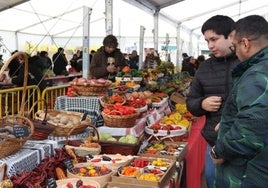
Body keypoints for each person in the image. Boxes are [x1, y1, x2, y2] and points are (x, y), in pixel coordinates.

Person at [211, 15, 268, 188]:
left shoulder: (257, 74)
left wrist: (218, 150)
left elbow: (252, 125)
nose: (235, 52)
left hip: (248, 173)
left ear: (245, 43)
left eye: (234, 46)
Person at [185, 15, 240, 188]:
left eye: (214, 39)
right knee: (213, 182)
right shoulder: (205, 67)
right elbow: (191, 102)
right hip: (214, 143)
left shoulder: (245, 63)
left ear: (230, 36)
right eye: (207, 41)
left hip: (243, 142)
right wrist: (201, 104)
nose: (210, 46)